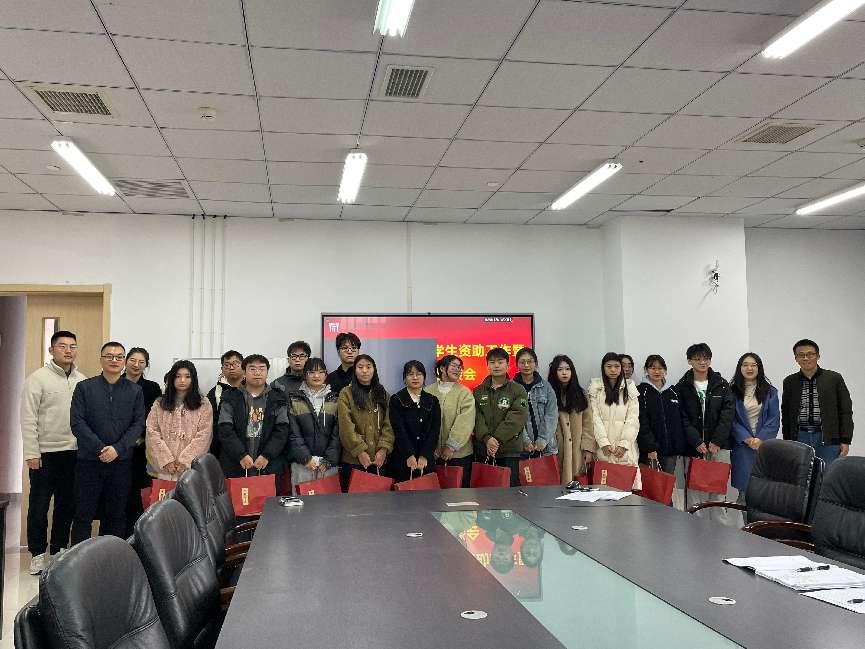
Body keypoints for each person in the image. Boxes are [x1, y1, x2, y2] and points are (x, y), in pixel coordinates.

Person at [20, 330, 87, 574]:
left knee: (66, 505)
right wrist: (31, 452)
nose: (68, 350)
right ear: (51, 350)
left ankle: (59, 549)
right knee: (39, 506)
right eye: (62, 346)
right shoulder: (37, 379)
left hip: (74, 453)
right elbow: (28, 418)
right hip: (45, 454)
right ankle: (37, 553)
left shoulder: (82, 380)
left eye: (72, 346)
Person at [69, 342, 144, 545]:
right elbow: (77, 422)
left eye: (119, 357)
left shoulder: (135, 391)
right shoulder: (84, 387)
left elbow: (138, 424)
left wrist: (117, 449)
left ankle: (110, 557)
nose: (114, 360)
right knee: (83, 513)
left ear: (124, 361)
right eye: (109, 356)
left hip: (121, 462)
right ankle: (80, 558)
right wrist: (100, 448)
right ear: (101, 359)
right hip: (89, 461)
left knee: (116, 514)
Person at [676, 343, 736, 524]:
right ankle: (696, 531)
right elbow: (681, 417)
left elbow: (728, 414)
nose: (703, 362)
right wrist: (696, 441)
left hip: (719, 447)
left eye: (706, 358)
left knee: (718, 492)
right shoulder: (682, 386)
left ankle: (720, 530)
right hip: (694, 448)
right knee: (696, 493)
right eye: (698, 359)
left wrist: (717, 440)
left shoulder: (721, 384)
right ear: (689, 361)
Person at [216, 354, 289, 479]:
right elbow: (225, 430)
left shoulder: (278, 398)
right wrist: (241, 455)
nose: (257, 372)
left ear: (267, 373)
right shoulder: (230, 397)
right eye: (252, 369)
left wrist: (267, 455)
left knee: (267, 493)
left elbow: (282, 431)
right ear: (244, 372)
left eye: (262, 368)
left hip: (269, 465)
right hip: (236, 464)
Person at [782, 339, 853, 466]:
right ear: (796, 358)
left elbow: (845, 411)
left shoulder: (834, 378)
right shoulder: (790, 381)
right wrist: (787, 440)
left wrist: (846, 440)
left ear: (818, 356)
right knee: (801, 474)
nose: (806, 358)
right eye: (801, 355)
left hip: (828, 438)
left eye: (810, 354)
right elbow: (786, 413)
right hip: (800, 437)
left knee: (827, 474)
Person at [145, 360, 213, 481]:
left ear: (193, 379)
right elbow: (152, 431)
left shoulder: (203, 403)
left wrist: (186, 461)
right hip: (164, 469)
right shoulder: (159, 403)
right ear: (172, 378)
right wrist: (166, 460)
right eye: (178, 376)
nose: (182, 380)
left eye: (187, 376)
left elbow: (204, 435)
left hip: (191, 469)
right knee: (164, 493)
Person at [636, 355, 689, 508]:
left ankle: (667, 516)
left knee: (666, 486)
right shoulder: (640, 392)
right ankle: (652, 517)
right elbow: (641, 422)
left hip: (671, 451)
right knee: (652, 487)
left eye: (660, 368)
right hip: (651, 451)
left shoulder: (673, 391)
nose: (656, 371)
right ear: (646, 370)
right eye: (653, 368)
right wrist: (650, 447)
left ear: (665, 370)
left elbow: (680, 419)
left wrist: (680, 445)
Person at [473, 347, 529, 487]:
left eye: (500, 362)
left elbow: (517, 418)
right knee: (485, 493)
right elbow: (477, 418)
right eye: (492, 362)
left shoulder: (517, 389)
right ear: (487, 366)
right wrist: (487, 439)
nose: (496, 365)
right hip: (484, 450)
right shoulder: (478, 391)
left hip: (509, 451)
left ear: (508, 365)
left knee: (509, 493)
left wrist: (496, 439)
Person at [122, 347, 162, 536]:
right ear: (126, 361)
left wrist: (140, 437)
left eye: (141, 362)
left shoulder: (152, 388)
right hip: (117, 450)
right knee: (119, 495)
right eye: (133, 360)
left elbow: (154, 419)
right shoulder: (115, 383)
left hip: (141, 450)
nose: (136, 365)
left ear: (146, 365)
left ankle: (137, 538)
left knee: (140, 495)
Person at [286, 357, 341, 494]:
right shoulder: (294, 399)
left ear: (326, 375)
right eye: (312, 372)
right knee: (301, 503)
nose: (317, 376)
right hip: (302, 463)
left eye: (321, 372)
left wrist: (328, 459)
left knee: (329, 504)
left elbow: (338, 433)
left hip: (328, 465)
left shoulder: (336, 399)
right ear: (305, 375)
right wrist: (306, 458)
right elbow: (293, 432)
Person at [338, 354, 394, 487]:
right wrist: (360, 451)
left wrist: (383, 450)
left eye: (368, 367)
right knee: (354, 499)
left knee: (379, 498)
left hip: (379, 459)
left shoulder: (383, 393)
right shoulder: (346, 393)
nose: (364, 370)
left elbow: (390, 424)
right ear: (354, 371)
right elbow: (346, 426)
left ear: (374, 370)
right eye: (360, 367)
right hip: (353, 460)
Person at [730, 353, 779, 501]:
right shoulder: (732, 392)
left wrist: (760, 439)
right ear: (740, 368)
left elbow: (774, 418)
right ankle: (746, 517)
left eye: (753, 365)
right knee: (744, 491)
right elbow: (730, 420)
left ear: (759, 368)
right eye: (745, 365)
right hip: (742, 446)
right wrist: (746, 438)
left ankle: (760, 517)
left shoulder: (770, 391)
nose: (749, 368)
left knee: (764, 490)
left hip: (763, 446)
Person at [588, 352, 640, 489]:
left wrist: (624, 444)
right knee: (603, 491)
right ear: (603, 368)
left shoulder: (630, 388)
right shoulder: (596, 389)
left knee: (626, 492)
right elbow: (595, 418)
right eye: (609, 366)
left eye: (617, 366)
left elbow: (633, 419)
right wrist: (604, 443)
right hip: (603, 449)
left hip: (625, 450)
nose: (613, 370)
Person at [426, 355, 475, 487]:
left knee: (458, 494)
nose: (457, 370)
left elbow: (465, 422)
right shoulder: (428, 391)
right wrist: (428, 448)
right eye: (453, 366)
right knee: (434, 493)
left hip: (459, 455)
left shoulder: (465, 393)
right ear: (442, 368)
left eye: (459, 367)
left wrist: (451, 446)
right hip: (433, 455)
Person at [388, 361, 441, 483]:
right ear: (404, 378)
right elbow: (398, 430)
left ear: (424, 377)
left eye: (419, 374)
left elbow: (435, 430)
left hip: (426, 460)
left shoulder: (433, 400)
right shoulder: (396, 399)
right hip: (402, 459)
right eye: (410, 374)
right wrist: (409, 455)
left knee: (427, 492)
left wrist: (425, 455)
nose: (415, 377)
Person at [547, 354, 593, 484]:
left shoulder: (581, 394)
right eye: (560, 369)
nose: (564, 373)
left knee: (577, 485)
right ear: (554, 372)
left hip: (577, 449)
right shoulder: (548, 393)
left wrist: (588, 448)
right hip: (556, 448)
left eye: (567, 369)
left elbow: (588, 423)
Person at [513, 348, 559, 461]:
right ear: (517, 365)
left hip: (546, 447)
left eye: (530, 361)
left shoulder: (546, 387)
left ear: (536, 364)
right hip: (521, 449)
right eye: (522, 362)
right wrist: (525, 440)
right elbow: (513, 418)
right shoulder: (511, 388)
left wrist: (542, 439)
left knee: (548, 473)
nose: (526, 365)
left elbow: (552, 415)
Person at [206, 349, 244, 456]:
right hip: (223, 448)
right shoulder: (215, 393)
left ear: (243, 366)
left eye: (235, 364)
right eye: (226, 365)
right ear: (222, 369)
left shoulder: (252, 388)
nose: (231, 368)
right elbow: (211, 423)